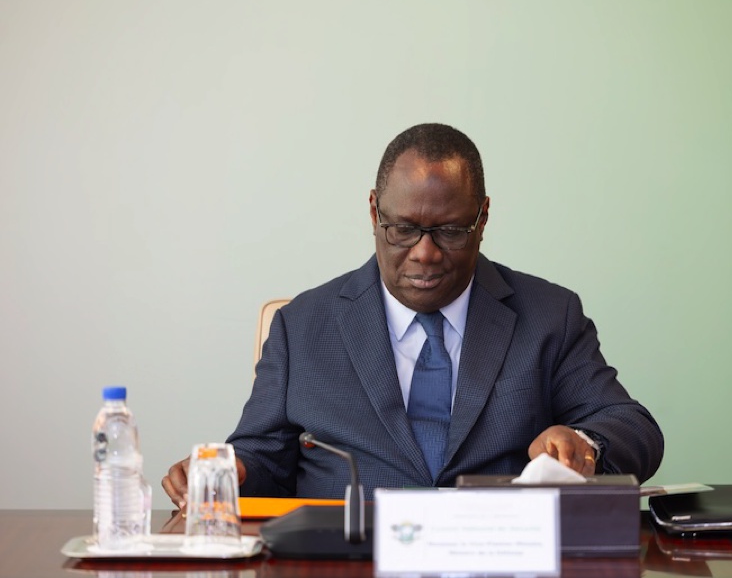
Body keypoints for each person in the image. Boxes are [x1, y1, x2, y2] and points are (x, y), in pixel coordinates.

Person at [163, 123, 663, 507]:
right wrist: (224, 473)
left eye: (450, 231)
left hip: (499, 556)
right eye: (403, 229)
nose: (425, 253)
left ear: (482, 218)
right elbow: (262, 457)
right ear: (374, 212)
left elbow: (632, 426)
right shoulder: (303, 326)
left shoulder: (548, 315)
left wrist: (583, 444)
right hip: (347, 559)